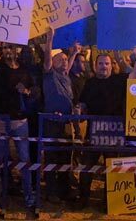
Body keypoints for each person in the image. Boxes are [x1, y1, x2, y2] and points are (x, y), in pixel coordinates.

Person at [74, 47, 136, 210]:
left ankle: (108, 201)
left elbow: (135, 76)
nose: (104, 66)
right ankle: (83, 199)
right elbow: (83, 103)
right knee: (86, 168)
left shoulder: (118, 80)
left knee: (112, 168)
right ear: (96, 66)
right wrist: (79, 109)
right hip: (94, 131)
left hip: (114, 132)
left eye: (107, 63)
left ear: (112, 66)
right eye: (101, 64)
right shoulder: (89, 83)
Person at [0, 33, 36, 215]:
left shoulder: (25, 70)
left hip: (20, 120)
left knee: (24, 160)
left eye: (11, 47)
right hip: (1, 120)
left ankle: (29, 196)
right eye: (5, 48)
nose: (8, 51)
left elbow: (35, 91)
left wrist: (27, 91)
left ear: (18, 50)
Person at [42, 28, 80, 203]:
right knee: (51, 158)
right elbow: (48, 61)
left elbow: (68, 65)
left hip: (66, 122)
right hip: (52, 122)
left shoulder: (65, 76)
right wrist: (50, 39)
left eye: (66, 60)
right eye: (61, 59)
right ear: (53, 62)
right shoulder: (50, 75)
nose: (65, 62)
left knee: (65, 157)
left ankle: (64, 189)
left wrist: (73, 54)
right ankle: (51, 191)